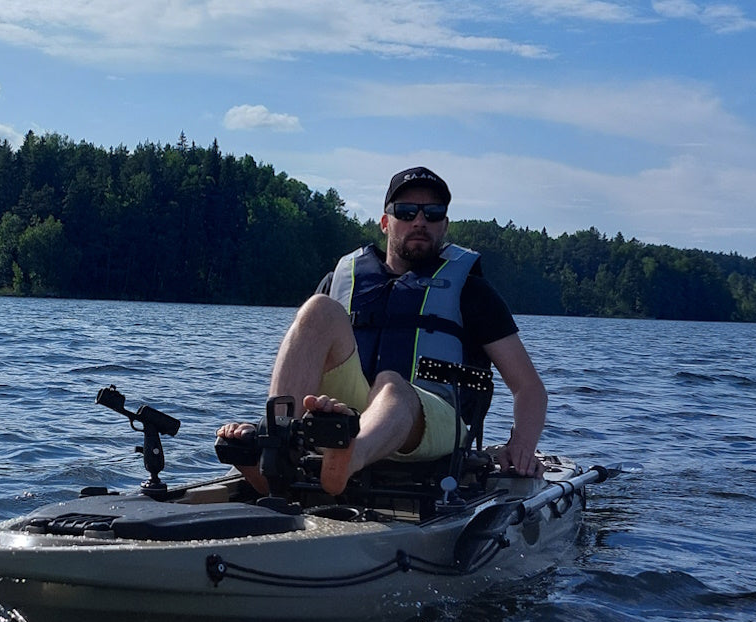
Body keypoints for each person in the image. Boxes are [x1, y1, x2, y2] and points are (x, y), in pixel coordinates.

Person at [218, 166, 547, 496]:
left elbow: (529, 388)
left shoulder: (472, 291)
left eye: (433, 214)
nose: (420, 221)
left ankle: (348, 459)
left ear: (445, 225)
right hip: (351, 414)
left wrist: (520, 448)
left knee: (391, 385)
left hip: (433, 419)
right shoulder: (342, 280)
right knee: (318, 307)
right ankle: (278, 446)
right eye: (406, 212)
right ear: (386, 222)